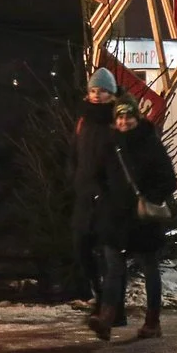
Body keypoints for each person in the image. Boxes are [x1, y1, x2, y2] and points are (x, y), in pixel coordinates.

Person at [88, 99, 177, 340]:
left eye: (128, 117)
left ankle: (152, 321)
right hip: (115, 217)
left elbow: (168, 179)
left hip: (142, 218)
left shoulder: (150, 144)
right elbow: (97, 174)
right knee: (114, 268)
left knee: (150, 268)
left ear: (137, 118)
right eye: (119, 117)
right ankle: (106, 318)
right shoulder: (110, 144)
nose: (124, 122)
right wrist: (105, 198)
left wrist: (149, 197)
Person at [69, 68, 121, 310]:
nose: (97, 95)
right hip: (84, 193)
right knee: (82, 246)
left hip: (109, 196)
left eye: (102, 91)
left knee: (109, 254)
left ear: (111, 93)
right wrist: (74, 178)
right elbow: (74, 153)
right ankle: (98, 293)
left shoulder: (117, 120)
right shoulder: (83, 120)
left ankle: (112, 306)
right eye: (93, 91)